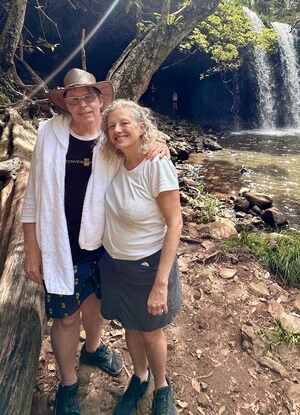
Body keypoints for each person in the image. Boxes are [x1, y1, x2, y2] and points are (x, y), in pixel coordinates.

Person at [21, 68, 169, 415]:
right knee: (66, 318)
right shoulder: (49, 134)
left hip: (105, 245)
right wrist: (31, 249)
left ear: (101, 101)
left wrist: (160, 144)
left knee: (94, 304)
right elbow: (32, 195)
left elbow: (141, 147)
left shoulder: (112, 137)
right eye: (74, 99)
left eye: (89, 97)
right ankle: (69, 384)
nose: (82, 104)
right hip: (60, 244)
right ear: (65, 104)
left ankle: (93, 348)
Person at [98, 99, 182, 415]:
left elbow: (176, 223)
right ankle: (140, 377)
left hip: (148, 266)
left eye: (125, 123)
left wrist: (161, 283)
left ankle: (161, 386)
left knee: (150, 331)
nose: (117, 130)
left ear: (142, 127)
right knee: (130, 326)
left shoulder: (156, 165)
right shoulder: (112, 162)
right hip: (115, 265)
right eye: (111, 126)